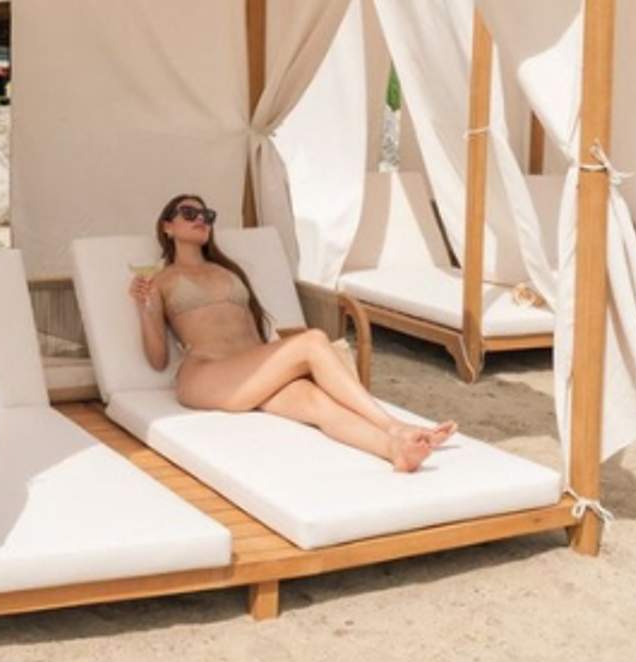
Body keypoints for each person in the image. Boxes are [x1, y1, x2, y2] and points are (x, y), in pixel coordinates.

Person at [128, 194, 455, 472]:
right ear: (167, 226)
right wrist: (144, 307)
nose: (201, 219)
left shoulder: (227, 270)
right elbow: (157, 359)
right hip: (206, 374)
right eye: (189, 213)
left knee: (316, 403)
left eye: (207, 215)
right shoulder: (161, 281)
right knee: (312, 341)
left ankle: (395, 449)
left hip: (251, 372)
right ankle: (393, 425)